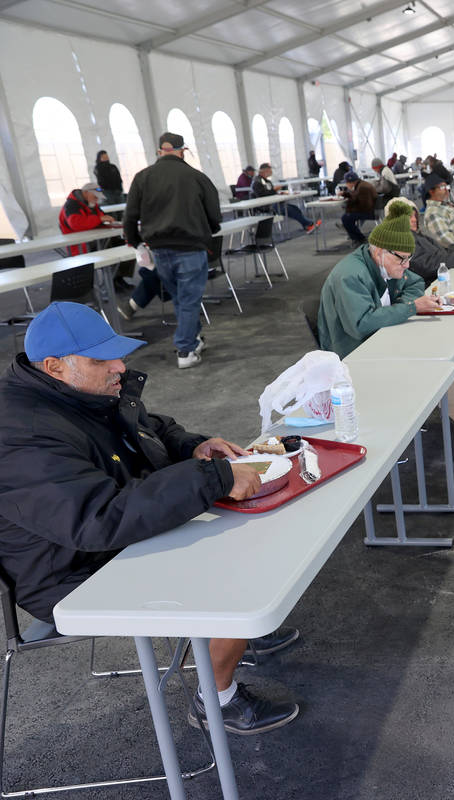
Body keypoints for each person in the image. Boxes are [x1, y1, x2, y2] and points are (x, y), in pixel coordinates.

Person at [0, 302, 302, 735]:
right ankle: (215, 698)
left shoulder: (82, 391)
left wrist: (192, 448)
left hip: (110, 534)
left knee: (250, 533)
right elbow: (97, 519)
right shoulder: (21, 434)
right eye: (102, 359)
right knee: (244, 561)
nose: (120, 367)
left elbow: (149, 426)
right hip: (72, 567)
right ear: (55, 367)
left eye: (117, 354)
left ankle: (228, 637)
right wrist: (209, 479)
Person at [316, 206, 454, 457]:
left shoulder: (384, 264)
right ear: (380, 251)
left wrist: (403, 303)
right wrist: (409, 307)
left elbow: (414, 282)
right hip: (354, 359)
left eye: (408, 259)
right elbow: (360, 324)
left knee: (445, 354)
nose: (405, 266)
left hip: (380, 341)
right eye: (401, 259)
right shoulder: (351, 275)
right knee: (429, 371)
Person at [123, 132, 220, 369]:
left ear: (159, 151)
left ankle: (194, 339)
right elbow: (215, 215)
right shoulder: (196, 177)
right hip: (190, 246)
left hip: (159, 249)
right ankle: (185, 350)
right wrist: (208, 233)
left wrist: (136, 242)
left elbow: (130, 216)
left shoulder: (142, 178)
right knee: (188, 299)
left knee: (180, 298)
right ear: (182, 150)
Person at [382, 198, 454, 285]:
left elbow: (442, 253)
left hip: (440, 281)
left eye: (415, 216)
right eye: (408, 217)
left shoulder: (417, 236)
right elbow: (426, 265)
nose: (414, 220)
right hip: (430, 288)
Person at [251, 163, 320, 233]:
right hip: (266, 206)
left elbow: (270, 192)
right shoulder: (257, 182)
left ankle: (306, 225)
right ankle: (309, 224)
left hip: (273, 203)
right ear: (265, 171)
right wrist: (275, 190)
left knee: (295, 208)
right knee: (289, 209)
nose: (271, 171)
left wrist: (278, 192)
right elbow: (262, 195)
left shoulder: (267, 181)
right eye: (270, 169)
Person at [58, 183, 115, 256]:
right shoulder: (71, 205)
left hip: (92, 240)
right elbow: (76, 224)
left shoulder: (91, 203)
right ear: (85, 193)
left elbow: (101, 216)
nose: (97, 199)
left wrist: (107, 220)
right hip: (78, 245)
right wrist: (99, 219)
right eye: (95, 196)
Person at [339, 171, 378, 246]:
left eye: (347, 183)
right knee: (347, 217)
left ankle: (359, 238)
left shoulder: (362, 187)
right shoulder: (361, 185)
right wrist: (346, 194)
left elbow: (364, 205)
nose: (346, 185)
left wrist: (350, 210)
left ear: (351, 182)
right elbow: (356, 197)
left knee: (346, 218)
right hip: (369, 210)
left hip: (369, 212)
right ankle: (356, 237)